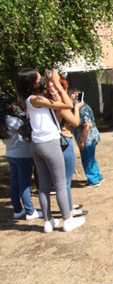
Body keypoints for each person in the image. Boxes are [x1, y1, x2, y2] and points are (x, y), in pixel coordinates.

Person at [15, 69, 86, 233]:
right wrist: (58, 86)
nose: (41, 80)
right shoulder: (37, 99)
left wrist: (50, 82)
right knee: (60, 184)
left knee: (44, 186)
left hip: (37, 145)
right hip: (50, 143)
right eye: (39, 78)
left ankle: (48, 221)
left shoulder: (28, 99)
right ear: (33, 82)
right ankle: (68, 220)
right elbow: (68, 104)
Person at [47, 78, 84, 215]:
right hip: (63, 142)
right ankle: (67, 210)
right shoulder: (59, 105)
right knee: (65, 180)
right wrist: (77, 108)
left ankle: (68, 205)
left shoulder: (44, 102)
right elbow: (75, 122)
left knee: (60, 181)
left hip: (51, 143)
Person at [0, 99, 41, 220]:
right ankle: (30, 211)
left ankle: (17, 210)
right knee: (24, 184)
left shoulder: (2, 122)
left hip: (11, 154)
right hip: (23, 154)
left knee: (15, 184)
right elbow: (27, 130)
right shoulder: (12, 120)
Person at [71, 90, 104, 188]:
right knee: (91, 158)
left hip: (87, 138)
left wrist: (82, 141)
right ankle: (97, 176)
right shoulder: (83, 107)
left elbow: (87, 126)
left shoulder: (82, 109)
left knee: (87, 159)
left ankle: (94, 180)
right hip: (90, 137)